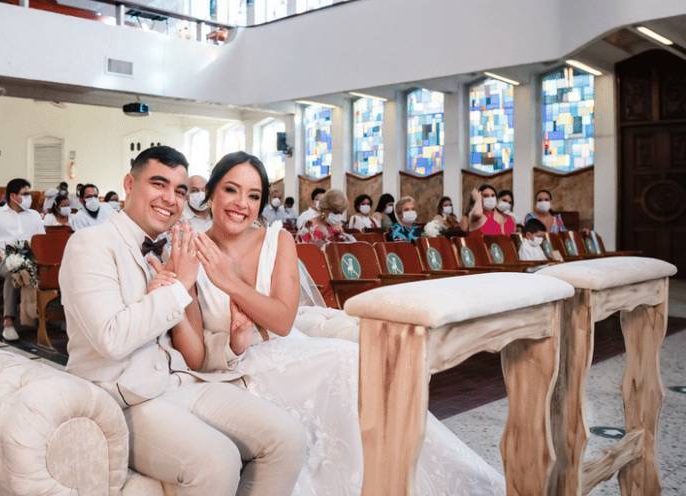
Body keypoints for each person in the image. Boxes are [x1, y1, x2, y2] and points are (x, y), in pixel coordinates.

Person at [181, 151, 505, 496]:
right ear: (211, 192)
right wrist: (234, 332)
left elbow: (282, 318)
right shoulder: (190, 248)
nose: (241, 204)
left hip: (287, 348)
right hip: (238, 364)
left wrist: (229, 282)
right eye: (231, 190)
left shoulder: (276, 240)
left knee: (351, 361)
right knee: (344, 364)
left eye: (253, 195)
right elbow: (195, 350)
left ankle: (396, 478)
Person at [59, 146, 306, 495]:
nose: (170, 199)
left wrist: (235, 342)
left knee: (288, 438)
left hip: (182, 382)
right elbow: (110, 338)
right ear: (130, 183)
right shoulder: (90, 244)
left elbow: (196, 352)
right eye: (158, 184)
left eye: (179, 190)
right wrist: (177, 288)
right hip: (126, 395)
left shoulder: (174, 248)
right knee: (217, 459)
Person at [0, 178, 45, 341]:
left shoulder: (33, 215)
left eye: (29, 194)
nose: (29, 197)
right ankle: (9, 322)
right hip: (4, 259)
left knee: (27, 270)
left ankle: (43, 315)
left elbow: (42, 240)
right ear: (13, 196)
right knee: (15, 271)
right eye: (25, 194)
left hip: (31, 259)